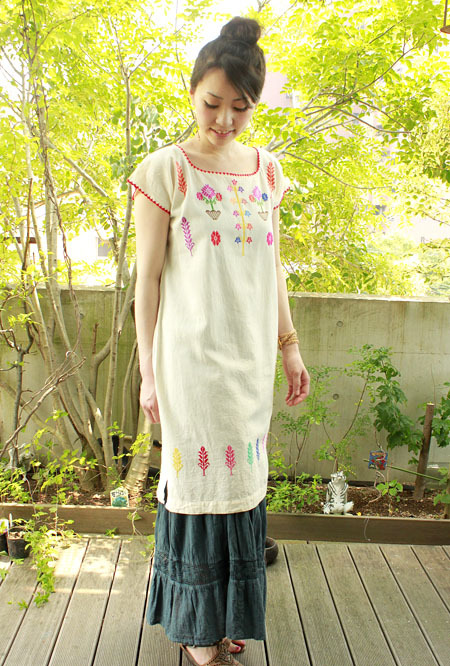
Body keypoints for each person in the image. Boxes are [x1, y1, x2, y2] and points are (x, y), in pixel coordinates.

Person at [128, 16, 310, 666]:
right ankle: (198, 633)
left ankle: (222, 618)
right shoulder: (166, 171)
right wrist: (148, 373)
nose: (225, 120)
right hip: (191, 367)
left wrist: (289, 346)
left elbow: (272, 267)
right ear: (192, 92)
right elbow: (148, 280)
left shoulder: (266, 172)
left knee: (240, 494)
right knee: (197, 495)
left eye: (241, 107)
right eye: (212, 103)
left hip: (247, 366)